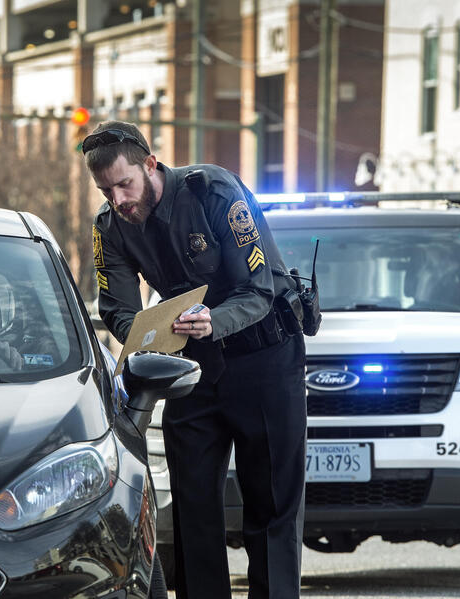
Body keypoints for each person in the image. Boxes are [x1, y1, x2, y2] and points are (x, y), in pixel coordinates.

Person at [84, 121, 306, 599]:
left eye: (124, 183)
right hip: (190, 363)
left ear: (150, 164)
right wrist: (146, 335)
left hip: (265, 356)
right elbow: (118, 309)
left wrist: (214, 321)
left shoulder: (214, 191)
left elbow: (259, 289)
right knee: (191, 506)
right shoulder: (109, 225)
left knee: (271, 506)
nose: (118, 199)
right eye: (106, 189)